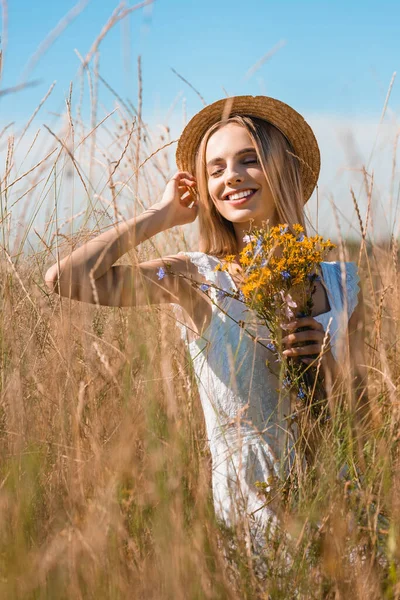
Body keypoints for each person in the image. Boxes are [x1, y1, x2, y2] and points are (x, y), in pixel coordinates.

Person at [45, 96, 366, 545]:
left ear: (285, 170)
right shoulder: (196, 278)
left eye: (249, 160)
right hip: (250, 507)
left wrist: (328, 370)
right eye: (215, 169)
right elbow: (66, 278)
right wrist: (160, 217)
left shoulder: (342, 282)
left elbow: (365, 416)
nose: (232, 175)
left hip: (337, 502)